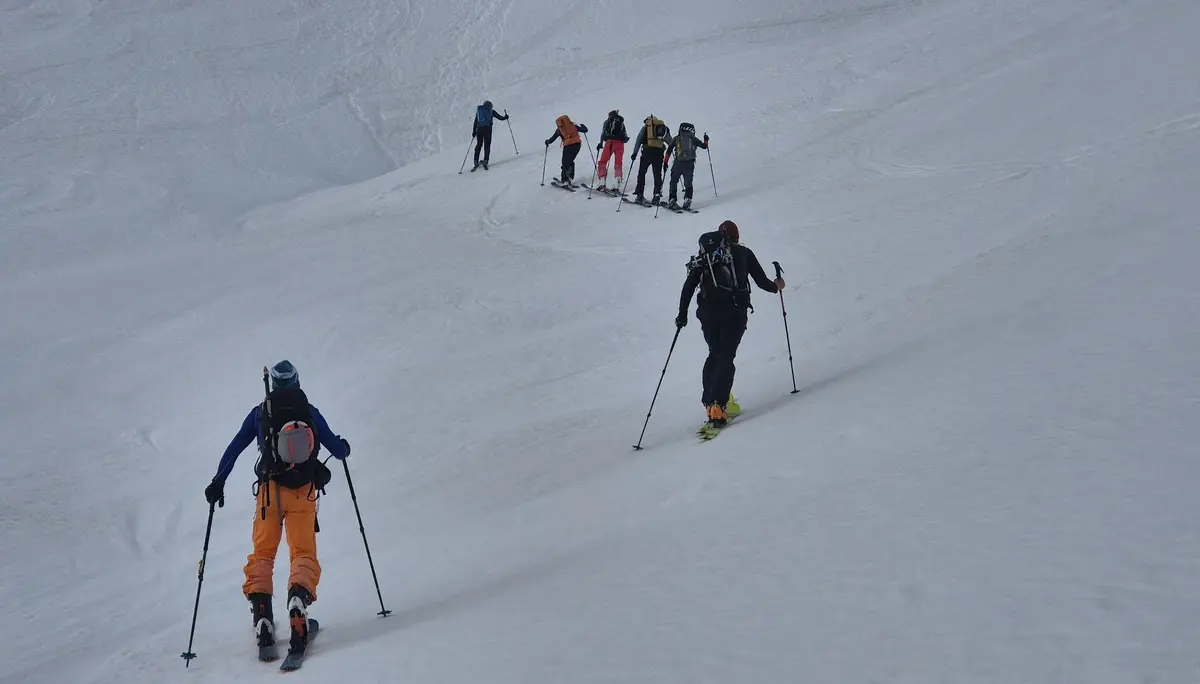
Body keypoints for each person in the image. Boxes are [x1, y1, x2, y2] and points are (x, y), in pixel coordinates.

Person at [203, 360, 351, 657]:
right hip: (303, 493)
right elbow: (338, 449)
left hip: (269, 494)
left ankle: (262, 615)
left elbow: (233, 449)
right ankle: (297, 599)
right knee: (303, 553)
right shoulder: (309, 411)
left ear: (273, 385)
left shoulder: (260, 413)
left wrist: (218, 482)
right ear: (297, 382)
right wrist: (343, 447)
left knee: (263, 553)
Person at [675, 221, 785, 426]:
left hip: (707, 314)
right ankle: (718, 406)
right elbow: (762, 282)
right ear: (736, 237)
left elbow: (689, 285)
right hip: (734, 314)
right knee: (725, 357)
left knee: (714, 354)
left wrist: (682, 314)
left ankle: (710, 402)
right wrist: (777, 285)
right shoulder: (743, 253)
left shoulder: (706, 258)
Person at [665, 123, 709, 210]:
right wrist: (706, 140)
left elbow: (669, 150)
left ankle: (672, 199)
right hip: (689, 164)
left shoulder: (677, 138)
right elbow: (704, 146)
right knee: (688, 183)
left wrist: (665, 162)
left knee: (673, 181)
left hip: (678, 163)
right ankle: (687, 200)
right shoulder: (693, 138)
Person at [629, 115, 671, 204]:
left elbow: (638, 140)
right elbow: (670, 142)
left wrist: (634, 153)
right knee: (657, 174)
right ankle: (656, 195)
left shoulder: (645, 128)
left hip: (647, 152)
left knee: (642, 172)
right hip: (659, 153)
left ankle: (639, 194)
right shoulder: (663, 128)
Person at [544, 115, 588, 186]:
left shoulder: (560, 130)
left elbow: (553, 138)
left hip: (568, 146)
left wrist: (547, 142)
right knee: (570, 161)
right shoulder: (573, 126)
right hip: (577, 145)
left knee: (565, 162)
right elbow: (585, 130)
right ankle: (570, 177)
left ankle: (565, 180)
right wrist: (583, 126)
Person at [595, 109, 629, 193]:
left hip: (610, 143)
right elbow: (625, 136)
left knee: (602, 162)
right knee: (618, 163)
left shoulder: (607, 122)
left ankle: (602, 182)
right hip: (620, 144)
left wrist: (600, 143)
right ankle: (617, 185)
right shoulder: (621, 123)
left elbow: (603, 133)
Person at [472, 100, 509, 171]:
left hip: (479, 130)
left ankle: (475, 161)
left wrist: (474, 132)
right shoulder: (491, 111)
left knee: (479, 145)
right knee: (487, 145)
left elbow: (475, 122)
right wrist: (505, 117)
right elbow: (500, 117)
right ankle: (486, 160)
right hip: (488, 130)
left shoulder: (480, 111)